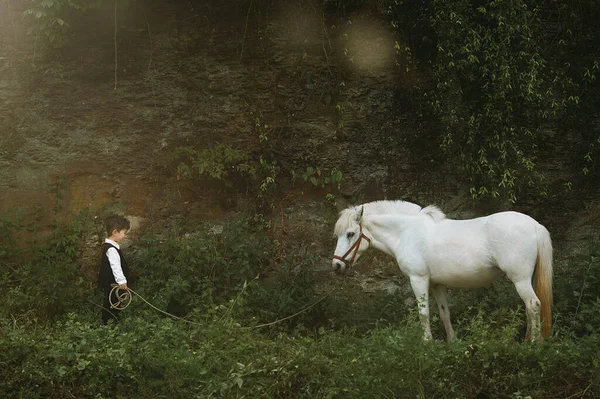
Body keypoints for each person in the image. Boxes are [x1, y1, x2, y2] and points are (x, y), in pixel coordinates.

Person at [98, 215, 131, 324]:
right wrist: (121, 281)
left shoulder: (112, 246)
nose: (125, 235)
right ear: (115, 232)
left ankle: (112, 322)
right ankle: (109, 323)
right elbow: (115, 266)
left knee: (114, 301)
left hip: (112, 283)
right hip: (113, 283)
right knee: (111, 302)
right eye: (124, 232)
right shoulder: (111, 249)